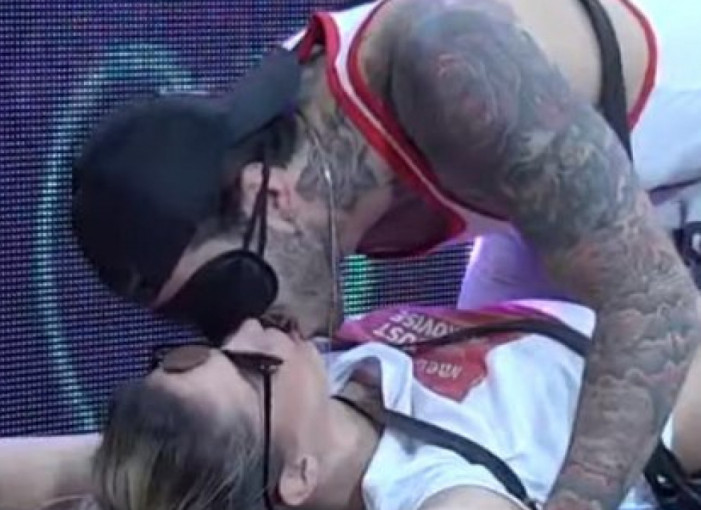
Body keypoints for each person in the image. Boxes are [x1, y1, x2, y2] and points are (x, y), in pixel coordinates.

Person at [70, 0, 701, 508]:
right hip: (601, 196)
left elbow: (655, 299)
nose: (241, 328)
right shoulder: (297, 182)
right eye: (202, 322)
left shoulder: (450, 73)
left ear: (268, 193)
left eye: (226, 289)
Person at [0, 299, 701, 510]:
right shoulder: (436, 492)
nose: (251, 328)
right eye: (251, 367)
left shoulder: (179, 465)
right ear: (296, 476)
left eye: (193, 351)